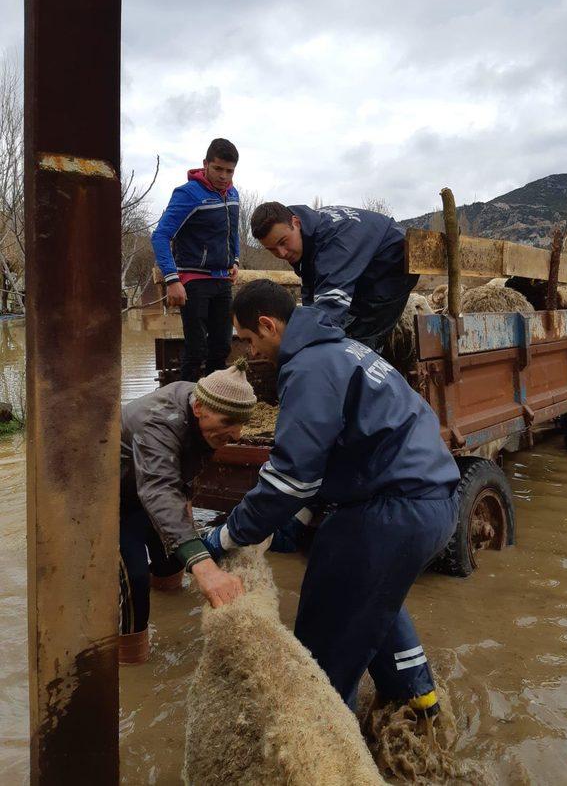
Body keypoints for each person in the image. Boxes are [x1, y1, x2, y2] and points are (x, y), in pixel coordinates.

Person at [203, 279, 460, 716]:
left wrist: (228, 536)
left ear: (267, 325)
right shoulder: (344, 349)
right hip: (432, 502)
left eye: (248, 340)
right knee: (375, 603)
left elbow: (290, 478)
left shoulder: (307, 368)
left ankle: (326, 748)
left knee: (319, 654)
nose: (250, 353)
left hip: (388, 512)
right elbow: (338, 452)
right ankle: (420, 717)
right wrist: (298, 518)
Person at [119, 359, 256, 664]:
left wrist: (188, 521)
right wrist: (205, 569)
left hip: (152, 491)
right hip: (110, 500)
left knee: (171, 565)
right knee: (135, 580)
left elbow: (183, 471)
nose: (236, 435)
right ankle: (131, 662)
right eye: (227, 425)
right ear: (198, 410)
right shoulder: (156, 420)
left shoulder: (205, 405)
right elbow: (159, 489)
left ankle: (166, 605)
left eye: (240, 425)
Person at [250, 201, 419, 351]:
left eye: (283, 242)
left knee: (360, 338)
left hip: (393, 260)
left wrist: (299, 347)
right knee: (334, 328)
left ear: (296, 222)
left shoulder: (333, 242)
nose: (282, 253)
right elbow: (311, 289)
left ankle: (367, 370)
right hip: (366, 261)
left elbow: (330, 306)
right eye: (272, 249)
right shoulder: (307, 234)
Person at [151, 138, 241, 381]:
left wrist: (235, 260)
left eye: (229, 171)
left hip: (222, 281)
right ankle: (187, 408)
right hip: (194, 281)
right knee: (196, 349)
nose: (224, 176)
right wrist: (172, 279)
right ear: (205, 164)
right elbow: (160, 235)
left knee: (221, 347)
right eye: (218, 169)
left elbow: (233, 231)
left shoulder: (232, 193)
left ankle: (213, 406)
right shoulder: (188, 194)